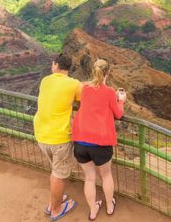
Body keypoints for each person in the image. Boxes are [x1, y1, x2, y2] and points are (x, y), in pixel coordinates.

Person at [72, 59, 127, 220]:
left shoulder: (85, 89)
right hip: (100, 143)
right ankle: (109, 206)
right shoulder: (110, 91)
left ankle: (93, 210)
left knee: (89, 178)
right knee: (106, 175)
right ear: (108, 73)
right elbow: (118, 114)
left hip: (81, 142)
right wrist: (121, 100)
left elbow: (92, 100)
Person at [34, 57, 81, 220]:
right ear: (69, 68)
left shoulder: (45, 81)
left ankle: (54, 202)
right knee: (59, 175)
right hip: (59, 138)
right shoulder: (73, 84)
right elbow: (84, 98)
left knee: (55, 171)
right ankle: (55, 209)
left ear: (55, 65)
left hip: (41, 135)